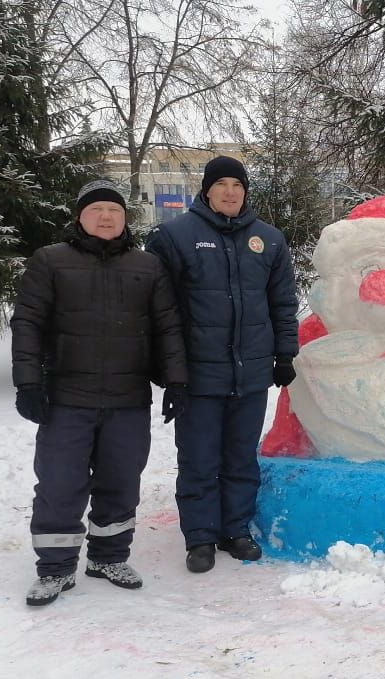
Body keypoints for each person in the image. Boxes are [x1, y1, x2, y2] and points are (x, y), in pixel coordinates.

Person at [11, 180, 188, 606]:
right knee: (60, 482)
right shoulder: (50, 261)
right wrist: (28, 382)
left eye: (114, 210)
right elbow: (28, 324)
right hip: (67, 397)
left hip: (128, 398)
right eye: (96, 210)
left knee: (121, 480)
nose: (106, 217)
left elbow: (167, 327)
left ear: (125, 218)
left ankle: (108, 556)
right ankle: (55, 568)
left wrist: (176, 380)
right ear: (80, 217)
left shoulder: (147, 267)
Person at [145, 155, 298, 573]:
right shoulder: (175, 236)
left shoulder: (268, 240)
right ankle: (200, 537)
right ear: (206, 189)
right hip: (198, 374)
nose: (231, 192)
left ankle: (235, 530)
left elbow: (283, 303)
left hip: (250, 373)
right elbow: (160, 311)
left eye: (238, 184)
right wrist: (169, 371)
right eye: (222, 184)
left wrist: (284, 354)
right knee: (199, 458)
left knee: (240, 457)